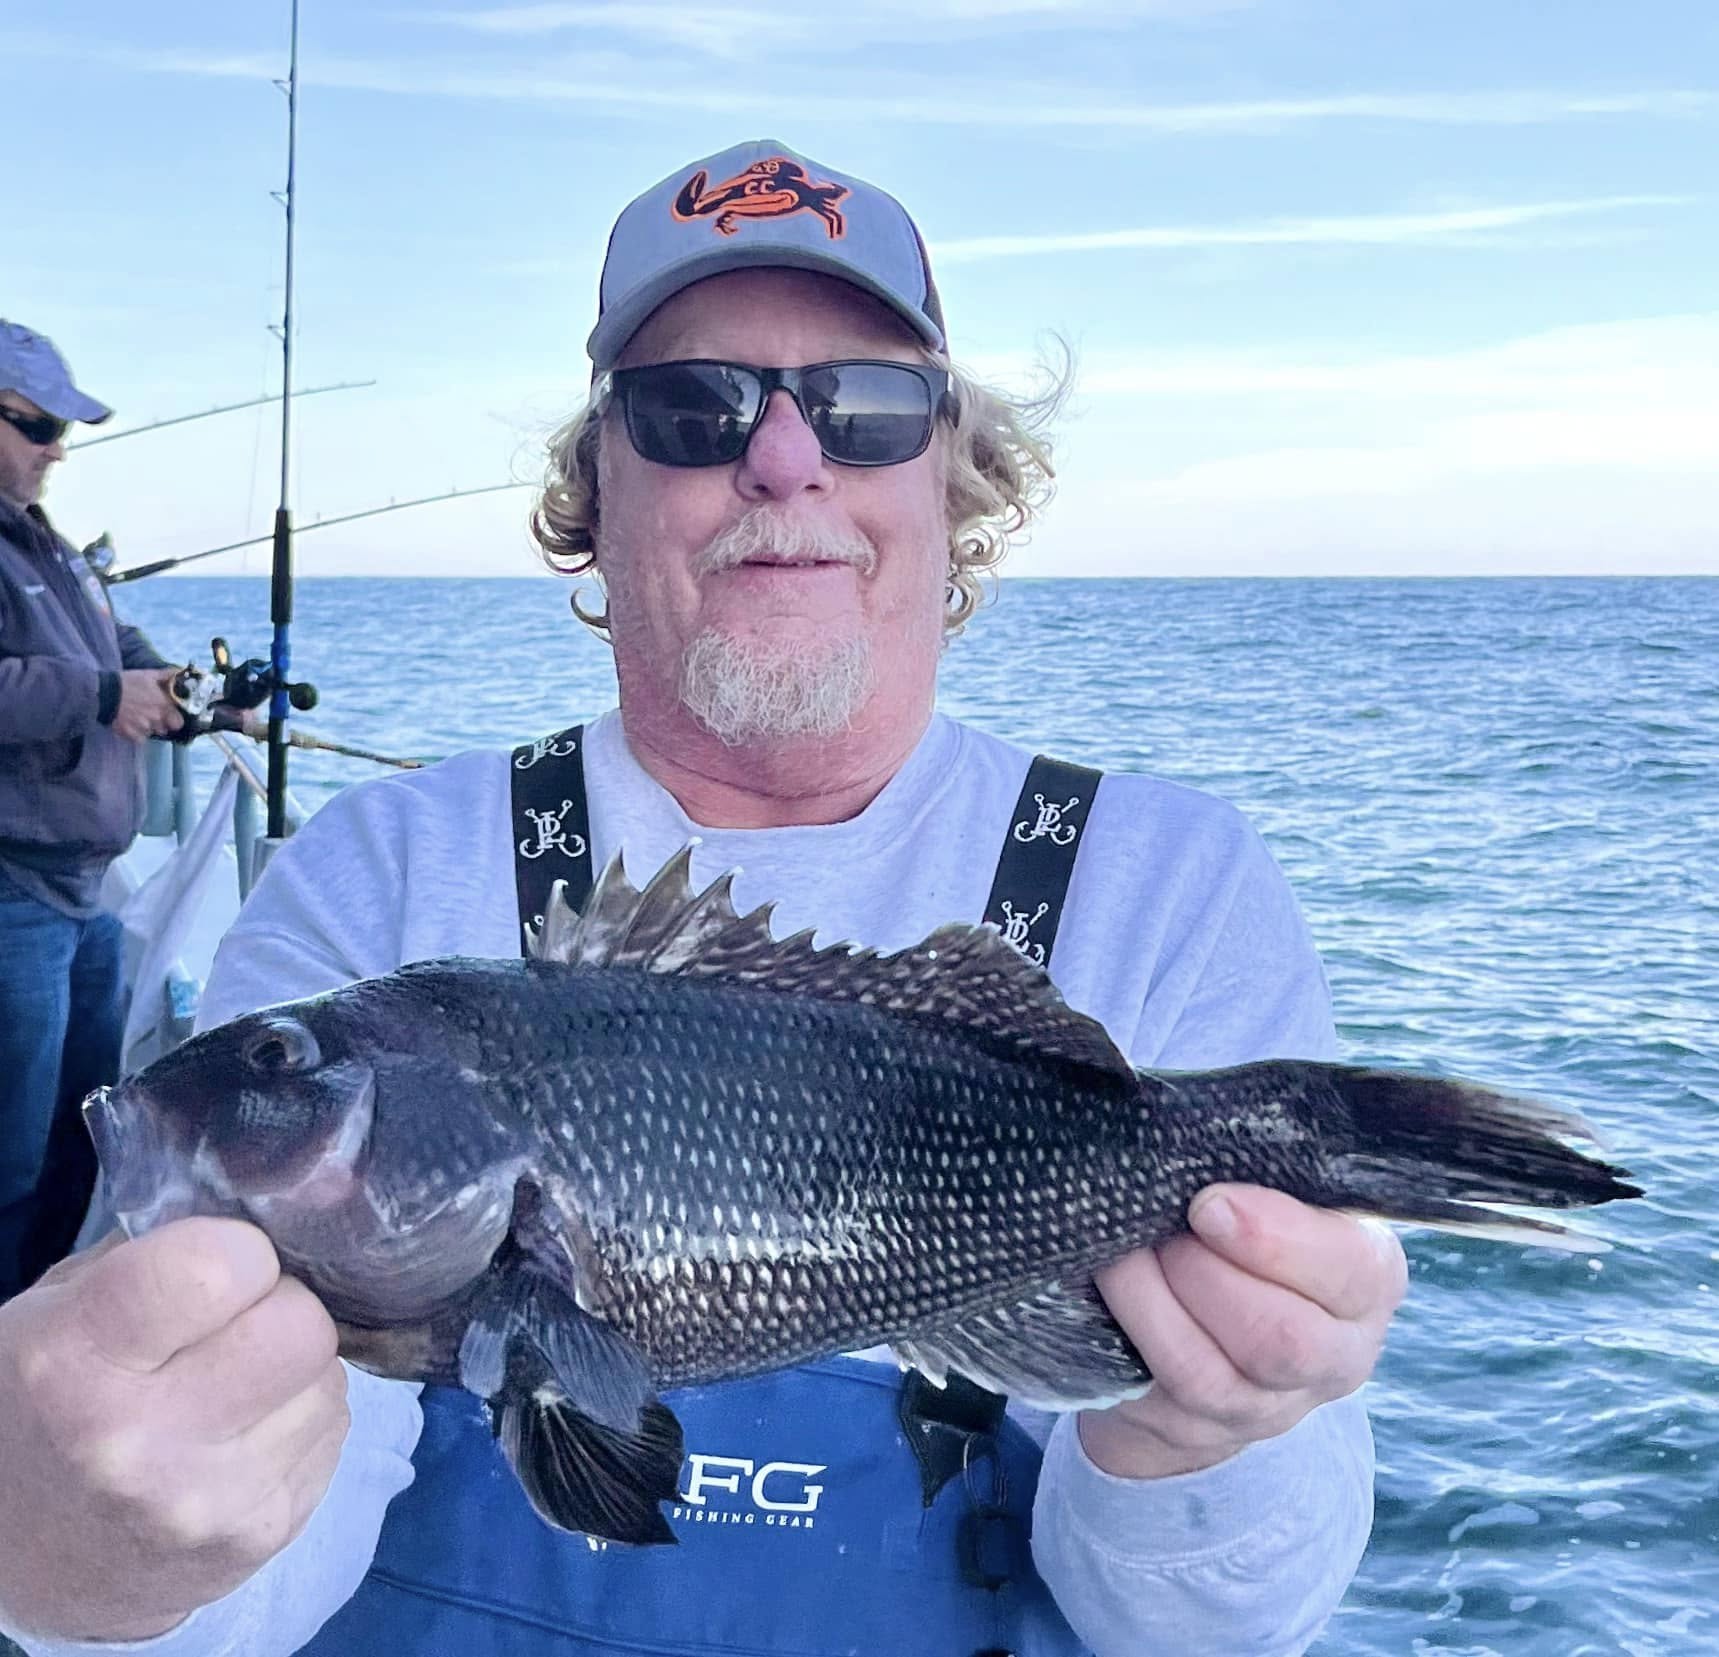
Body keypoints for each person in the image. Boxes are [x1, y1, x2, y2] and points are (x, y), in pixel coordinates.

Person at [0, 143, 1406, 1656]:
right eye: (692, 408)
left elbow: (1213, 1633)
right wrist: (90, 1568)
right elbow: (236, 1591)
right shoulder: (381, 871)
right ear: (595, 491)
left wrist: (1195, 1436)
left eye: (868, 407)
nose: (786, 459)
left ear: (952, 480)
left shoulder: (1173, 889)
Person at [0, 322, 183, 1305]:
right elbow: (78, 680)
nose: (56, 450)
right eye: (36, 426)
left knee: (86, 1135)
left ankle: (47, 1314)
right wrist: (106, 696)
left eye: (61, 430)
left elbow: (118, 643)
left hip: (84, 899)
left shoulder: (50, 549)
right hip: (13, 896)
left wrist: (188, 691)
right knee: (10, 1157)